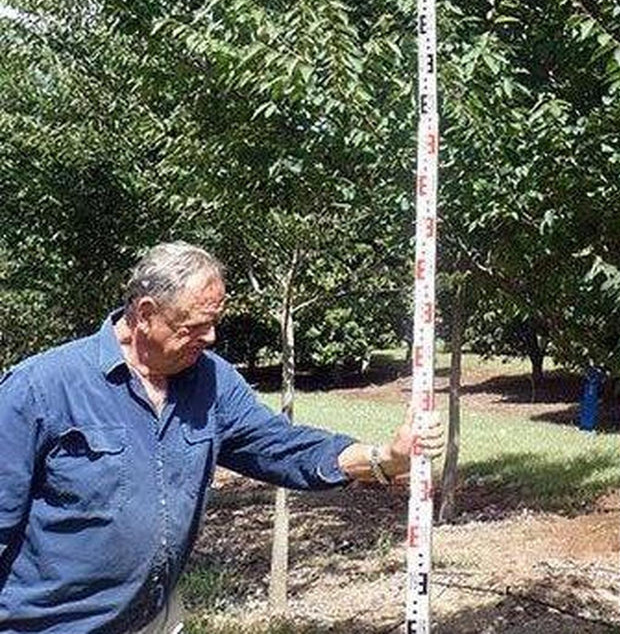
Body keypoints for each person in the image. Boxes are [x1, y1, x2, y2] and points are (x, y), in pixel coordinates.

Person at [0, 241, 444, 634]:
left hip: (152, 619)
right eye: (194, 326)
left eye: (214, 322)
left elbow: (281, 447)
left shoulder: (212, 382)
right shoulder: (40, 389)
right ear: (146, 314)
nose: (210, 338)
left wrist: (385, 457)